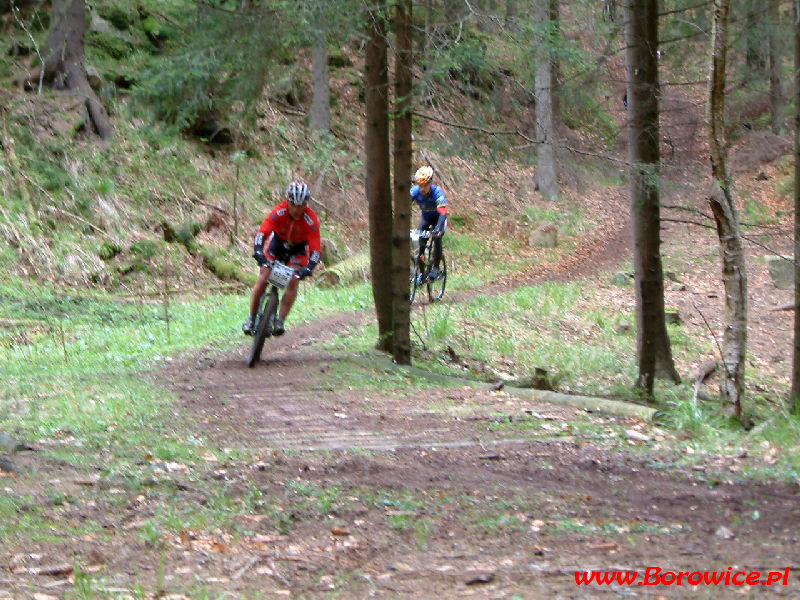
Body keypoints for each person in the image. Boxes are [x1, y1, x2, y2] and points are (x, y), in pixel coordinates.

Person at [242, 180, 321, 337]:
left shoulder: (311, 220)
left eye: (301, 206)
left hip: (298, 250)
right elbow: (262, 233)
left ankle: (280, 321)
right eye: (294, 205)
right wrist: (258, 251)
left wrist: (309, 268)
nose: (297, 210)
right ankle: (251, 319)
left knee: (293, 280)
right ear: (288, 201)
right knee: (264, 276)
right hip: (277, 243)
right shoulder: (279, 211)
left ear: (306, 205)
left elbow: (316, 249)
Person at [410, 165, 448, 280]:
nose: (422, 188)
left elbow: (443, 212)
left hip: (439, 219)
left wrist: (437, 229)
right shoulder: (414, 192)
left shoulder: (437, 193)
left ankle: (436, 269)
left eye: (425, 185)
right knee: (420, 242)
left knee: (437, 238)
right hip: (426, 219)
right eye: (420, 185)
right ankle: (421, 271)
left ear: (430, 183)